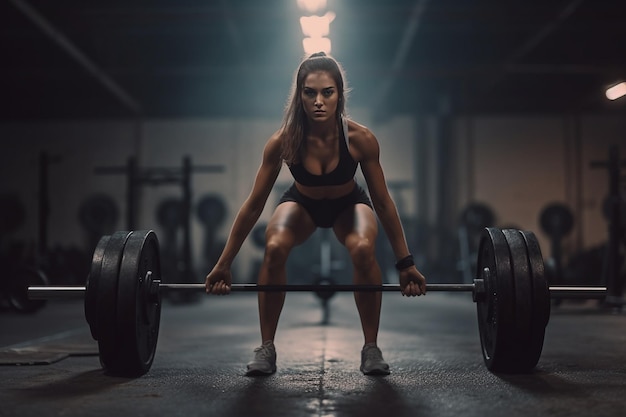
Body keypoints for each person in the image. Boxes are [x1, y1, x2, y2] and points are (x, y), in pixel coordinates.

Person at [205, 52, 427, 376]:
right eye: (310, 93)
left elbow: (383, 202)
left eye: (327, 92)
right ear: (300, 96)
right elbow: (253, 205)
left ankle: (371, 348)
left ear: (339, 94)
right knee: (275, 246)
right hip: (303, 204)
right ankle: (266, 347)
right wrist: (223, 263)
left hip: (348, 204)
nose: (319, 101)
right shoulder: (282, 141)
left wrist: (406, 264)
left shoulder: (360, 139)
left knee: (364, 249)